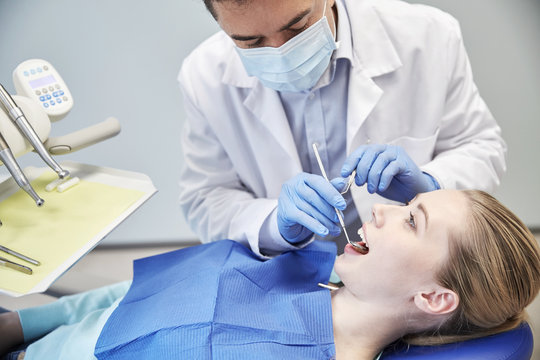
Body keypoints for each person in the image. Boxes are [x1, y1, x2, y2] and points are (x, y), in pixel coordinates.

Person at [1, 190, 539, 359]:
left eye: (411, 219)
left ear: (434, 298)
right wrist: (21, 327)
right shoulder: (303, 262)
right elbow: (134, 295)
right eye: (407, 200)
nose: (380, 207)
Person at [178, 0, 507, 256]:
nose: (279, 52)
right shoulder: (203, 76)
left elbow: (482, 148)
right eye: (251, 42)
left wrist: (430, 184)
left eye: (297, 27)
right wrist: (273, 223)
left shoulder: (428, 37)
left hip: (408, 274)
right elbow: (206, 198)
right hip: (286, 276)